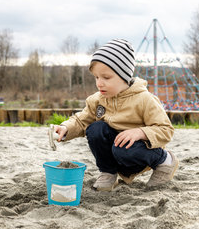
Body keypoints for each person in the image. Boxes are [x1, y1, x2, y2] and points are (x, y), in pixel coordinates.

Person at [53, 39, 177, 192]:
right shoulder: (97, 100)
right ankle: (108, 173)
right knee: (95, 129)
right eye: (97, 77)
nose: (100, 83)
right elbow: (81, 120)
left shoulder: (145, 99)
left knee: (124, 149)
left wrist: (141, 132)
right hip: (116, 152)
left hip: (139, 151)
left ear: (124, 75)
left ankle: (164, 161)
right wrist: (66, 127)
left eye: (106, 77)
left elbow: (166, 129)